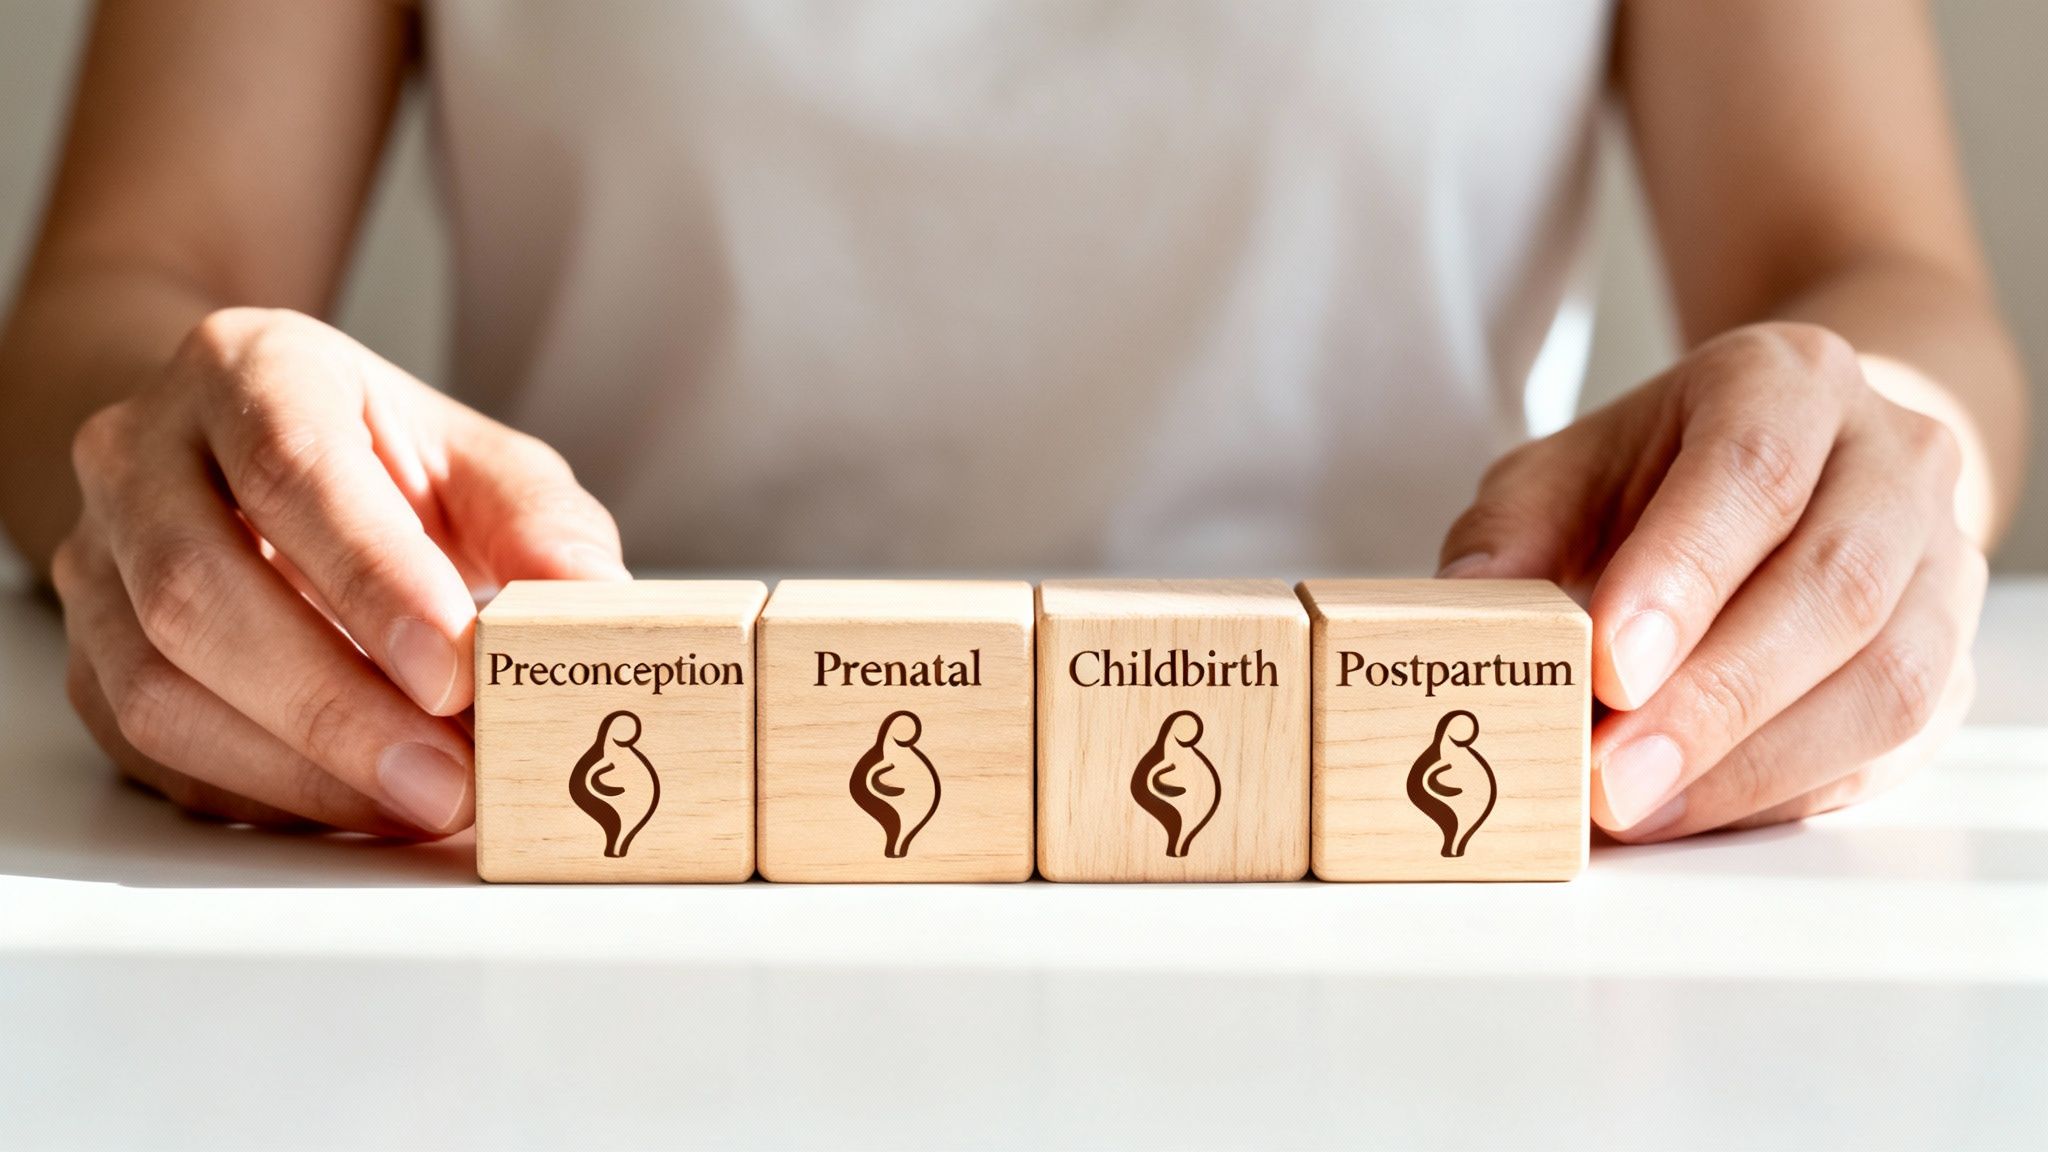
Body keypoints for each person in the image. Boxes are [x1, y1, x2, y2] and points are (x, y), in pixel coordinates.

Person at [0, 1, 2026, 846]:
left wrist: (1877, 450)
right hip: (579, 841)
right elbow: (118, 293)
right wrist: (183, 455)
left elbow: (1877, 278)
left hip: (1460, 871)